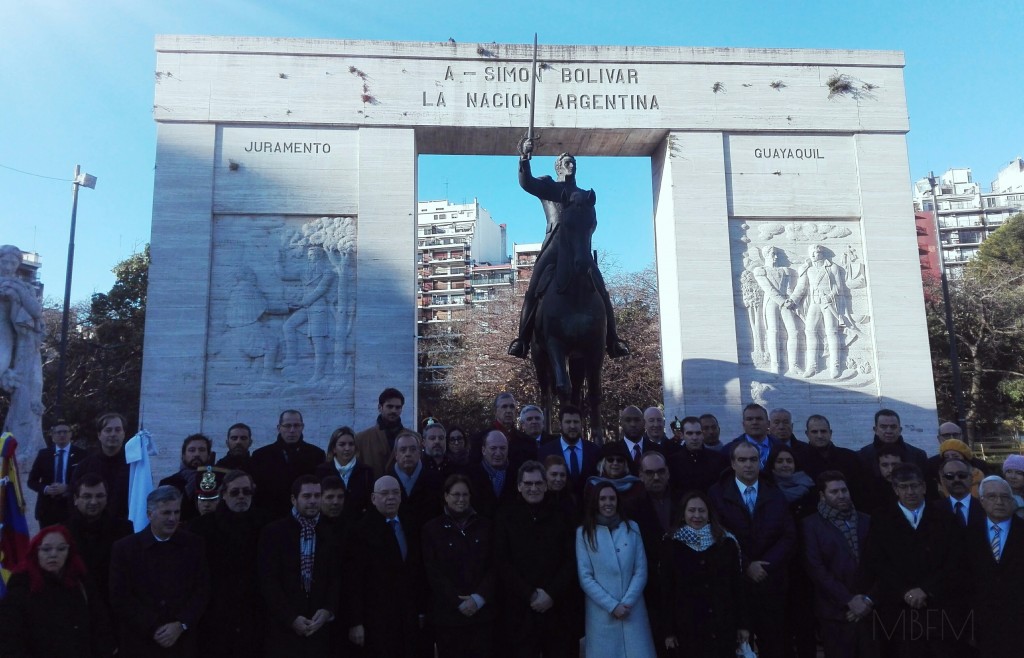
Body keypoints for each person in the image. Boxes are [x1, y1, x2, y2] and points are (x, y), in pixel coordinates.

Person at [507, 142, 628, 359]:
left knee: (601, 288)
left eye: (573, 163)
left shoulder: (584, 195)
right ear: (558, 168)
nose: (571, 166)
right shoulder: (549, 187)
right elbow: (527, 183)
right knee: (533, 289)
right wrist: (524, 158)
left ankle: (613, 340)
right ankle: (522, 340)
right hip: (554, 246)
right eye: (567, 163)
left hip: (578, 249)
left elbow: (593, 222)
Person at [860, 464, 964, 658]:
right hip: (899, 610)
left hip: (939, 607)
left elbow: (955, 561)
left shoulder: (945, 518)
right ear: (895, 489)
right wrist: (905, 591)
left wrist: (926, 589)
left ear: (924, 487)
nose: (910, 492)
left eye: (915, 486)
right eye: (904, 486)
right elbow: (877, 561)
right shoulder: (881, 519)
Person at [708, 442, 795, 658]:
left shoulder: (774, 491)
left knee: (775, 644)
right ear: (733, 463)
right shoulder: (717, 493)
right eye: (742, 460)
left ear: (760, 462)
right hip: (736, 584)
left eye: (753, 459)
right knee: (740, 646)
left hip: (770, 581)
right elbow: (718, 534)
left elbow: (788, 534)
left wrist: (766, 565)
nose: (748, 465)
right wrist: (746, 565)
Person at [108, 485, 209, 656]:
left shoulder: (194, 545)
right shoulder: (125, 549)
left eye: (176, 512)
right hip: (140, 642)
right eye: (166, 513)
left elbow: (202, 589)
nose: (172, 518)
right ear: (149, 514)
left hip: (182, 642)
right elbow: (120, 596)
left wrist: (181, 624)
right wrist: (153, 627)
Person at [493, 461, 576, 658]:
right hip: (519, 610)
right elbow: (501, 560)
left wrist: (551, 593)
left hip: (557, 608)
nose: (533, 488)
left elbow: (571, 559)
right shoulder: (505, 516)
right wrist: (529, 594)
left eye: (538, 483)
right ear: (519, 486)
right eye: (528, 484)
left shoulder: (562, 514)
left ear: (546, 485)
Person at [0, 525, 115, 657]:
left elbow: (99, 627)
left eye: (61, 549)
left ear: (69, 552)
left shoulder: (80, 583)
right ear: (35, 552)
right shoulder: (21, 587)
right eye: (46, 549)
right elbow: (9, 639)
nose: (54, 554)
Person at [187, 470, 268, 658]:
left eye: (246, 492)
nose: (241, 496)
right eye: (235, 492)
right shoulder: (200, 527)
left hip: (253, 612)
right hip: (214, 614)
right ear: (224, 494)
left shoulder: (266, 524)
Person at [658, 491, 748, 658]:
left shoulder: (727, 542)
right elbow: (666, 590)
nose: (697, 515)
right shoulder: (671, 543)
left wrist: (743, 625)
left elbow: (737, 586)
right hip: (687, 627)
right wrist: (668, 631)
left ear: (709, 514)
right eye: (692, 510)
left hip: (723, 625)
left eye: (702, 510)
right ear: (683, 514)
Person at [257, 474, 340, 656]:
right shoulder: (274, 533)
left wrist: (327, 610)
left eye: (317, 496)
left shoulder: (330, 533)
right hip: (282, 629)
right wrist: (290, 618)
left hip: (319, 629)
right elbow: (268, 580)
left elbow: (336, 578)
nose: (313, 501)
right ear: (294, 499)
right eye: (307, 496)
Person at [345, 475, 425, 658]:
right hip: (376, 618)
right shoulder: (360, 532)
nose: (391, 497)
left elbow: (417, 571)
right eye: (384, 493)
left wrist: (420, 609)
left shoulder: (411, 524)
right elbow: (354, 580)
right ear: (374, 498)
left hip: (408, 615)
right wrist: (355, 622)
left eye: (395, 493)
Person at [575, 481, 656, 658]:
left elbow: (640, 569)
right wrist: (612, 606)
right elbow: (585, 577)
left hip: (632, 610)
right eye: (603, 499)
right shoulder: (584, 533)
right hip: (602, 614)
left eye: (612, 498)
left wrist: (626, 603)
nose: (608, 503)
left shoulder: (632, 528)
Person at [801, 471, 875, 658]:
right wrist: (848, 600)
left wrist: (866, 600)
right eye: (834, 492)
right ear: (822, 495)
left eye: (844, 490)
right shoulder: (811, 525)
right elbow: (816, 568)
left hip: (869, 609)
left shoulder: (866, 520)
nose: (841, 495)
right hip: (833, 612)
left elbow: (878, 563)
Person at [421, 474, 496, 658]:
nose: (460, 499)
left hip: (482, 615)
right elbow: (432, 571)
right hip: (448, 617)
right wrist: (457, 602)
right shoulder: (432, 529)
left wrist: (478, 599)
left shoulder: (486, 526)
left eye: (465, 494)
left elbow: (494, 566)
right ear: (446, 496)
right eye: (455, 494)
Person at [965, 476, 1023, 658]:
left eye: (1005, 497)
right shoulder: (966, 535)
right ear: (981, 501)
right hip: (982, 624)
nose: (999, 502)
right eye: (992, 496)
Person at [65, 474, 133, 612]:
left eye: (99, 496)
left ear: (107, 498)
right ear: (75, 499)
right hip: (75, 607)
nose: (94, 502)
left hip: (113, 607)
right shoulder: (62, 533)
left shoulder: (124, 530)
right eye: (87, 496)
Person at [0, 244, 44, 452]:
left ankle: (22, 446)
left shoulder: (21, 286)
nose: (8, 266)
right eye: (4, 261)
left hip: (11, 342)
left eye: (13, 263)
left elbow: (35, 311)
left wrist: (16, 289)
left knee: (28, 385)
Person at [249, 410, 326, 518]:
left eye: (296, 425)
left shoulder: (317, 454)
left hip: (305, 515)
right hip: (269, 517)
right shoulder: (260, 456)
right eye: (287, 426)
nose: (292, 430)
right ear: (279, 428)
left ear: (302, 427)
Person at [801, 415, 868, 509]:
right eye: (814, 432)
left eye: (823, 431)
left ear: (830, 432)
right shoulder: (799, 460)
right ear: (807, 434)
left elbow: (860, 489)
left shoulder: (850, 457)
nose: (819, 436)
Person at [27, 420, 85, 528]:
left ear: (70, 434)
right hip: (47, 510)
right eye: (58, 432)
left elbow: (85, 480)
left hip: (71, 508)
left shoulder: (81, 455)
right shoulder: (43, 454)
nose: (62, 435)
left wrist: (68, 488)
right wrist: (45, 489)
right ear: (53, 436)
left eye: (65, 432)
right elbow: (31, 481)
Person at [72, 412, 130, 520]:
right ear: (99, 435)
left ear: (124, 434)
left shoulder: (135, 467)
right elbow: (73, 500)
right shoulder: (84, 466)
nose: (113, 434)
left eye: (118, 430)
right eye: (108, 430)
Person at [537, 405, 600, 498]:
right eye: (568, 422)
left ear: (581, 424)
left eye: (576, 422)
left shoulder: (594, 450)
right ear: (560, 424)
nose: (572, 426)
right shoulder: (545, 451)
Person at [314, 425, 373, 521]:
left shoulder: (366, 471)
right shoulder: (322, 470)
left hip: (358, 526)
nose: (347, 448)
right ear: (334, 448)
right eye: (342, 444)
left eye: (351, 444)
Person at [159, 434, 215, 522]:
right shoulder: (169, 483)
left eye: (202, 450)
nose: (197, 454)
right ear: (183, 455)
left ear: (209, 455)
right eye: (192, 450)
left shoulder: (216, 482)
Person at [667, 416, 729, 494]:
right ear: (682, 435)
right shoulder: (672, 462)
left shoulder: (718, 460)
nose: (694, 437)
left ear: (702, 435)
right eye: (690, 433)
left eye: (698, 433)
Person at [856, 409, 927, 478]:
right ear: (875, 430)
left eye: (893, 427)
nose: (889, 431)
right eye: (883, 427)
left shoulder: (918, 455)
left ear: (900, 430)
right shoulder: (861, 456)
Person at [355, 388, 407, 478]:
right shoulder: (362, 439)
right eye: (390, 406)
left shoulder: (413, 438)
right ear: (380, 407)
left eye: (398, 407)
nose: (394, 411)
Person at [466, 430, 517, 519]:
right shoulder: (469, 476)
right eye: (493, 448)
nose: (498, 453)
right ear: (483, 450)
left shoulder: (517, 475)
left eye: (503, 448)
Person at [725, 403, 777, 469]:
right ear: (743, 424)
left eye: (759, 419)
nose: (754, 422)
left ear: (768, 423)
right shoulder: (728, 451)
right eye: (749, 419)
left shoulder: (781, 447)